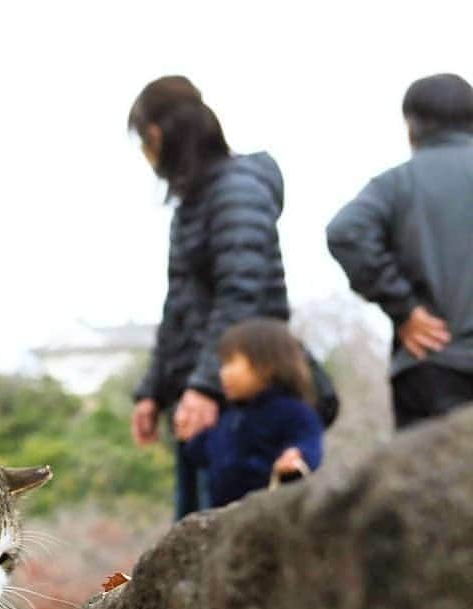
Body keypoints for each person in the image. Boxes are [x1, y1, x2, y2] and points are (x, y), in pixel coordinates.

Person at [128, 76, 293, 519]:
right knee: (191, 553)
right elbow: (179, 305)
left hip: (239, 403)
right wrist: (153, 391)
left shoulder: (235, 191)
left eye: (144, 139)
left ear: (158, 135)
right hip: (200, 403)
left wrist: (206, 385)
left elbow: (242, 296)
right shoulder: (194, 202)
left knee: (232, 550)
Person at [327, 73, 473, 429]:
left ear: (412, 125)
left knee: (433, 482)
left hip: (431, 364)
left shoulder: (397, 184)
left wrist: (404, 308)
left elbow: (346, 231)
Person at [183, 319, 323, 508]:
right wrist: (190, 437)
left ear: (266, 365)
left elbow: (309, 442)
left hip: (271, 513)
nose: (222, 373)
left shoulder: (293, 412)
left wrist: (296, 456)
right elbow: (206, 452)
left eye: (231, 363)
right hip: (224, 517)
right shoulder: (230, 417)